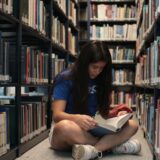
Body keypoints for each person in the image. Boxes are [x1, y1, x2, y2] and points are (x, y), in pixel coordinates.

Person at [49, 41, 141, 160]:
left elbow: (103, 114)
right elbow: (57, 115)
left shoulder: (102, 80)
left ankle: (93, 150)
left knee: (132, 125)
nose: (97, 71)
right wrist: (76, 118)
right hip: (71, 131)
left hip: (91, 130)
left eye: (101, 68)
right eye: (94, 67)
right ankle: (111, 146)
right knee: (65, 127)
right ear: (84, 63)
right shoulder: (65, 78)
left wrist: (117, 116)